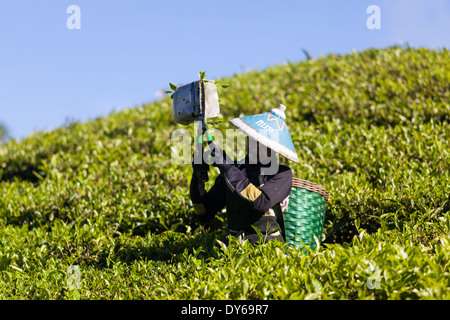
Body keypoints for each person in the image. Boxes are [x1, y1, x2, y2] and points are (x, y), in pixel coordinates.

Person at [190, 104, 299, 245]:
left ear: (274, 149)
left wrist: (228, 167)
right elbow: (204, 213)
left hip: (269, 248)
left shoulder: (281, 174)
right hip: (234, 248)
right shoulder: (234, 170)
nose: (255, 145)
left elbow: (261, 201)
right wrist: (198, 176)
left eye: (263, 143)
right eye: (252, 139)